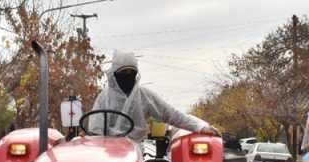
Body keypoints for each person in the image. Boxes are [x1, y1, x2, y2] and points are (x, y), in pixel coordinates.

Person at [90, 51, 219, 142]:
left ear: (136, 74)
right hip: (107, 151)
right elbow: (95, 129)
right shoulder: (104, 98)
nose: (127, 77)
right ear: (114, 74)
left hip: (134, 150)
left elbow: (173, 115)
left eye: (131, 73)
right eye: (123, 73)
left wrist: (200, 126)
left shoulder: (145, 96)